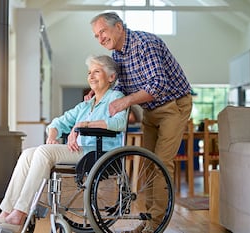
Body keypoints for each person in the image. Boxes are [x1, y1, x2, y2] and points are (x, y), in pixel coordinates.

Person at [0, 54, 127, 232]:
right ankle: (5, 214)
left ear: (111, 77)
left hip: (99, 152)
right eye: (89, 72)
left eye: (97, 71)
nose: (91, 76)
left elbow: (119, 123)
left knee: (44, 152)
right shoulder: (86, 105)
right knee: (28, 153)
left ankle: (18, 215)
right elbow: (57, 123)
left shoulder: (116, 97)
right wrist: (52, 135)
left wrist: (83, 125)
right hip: (82, 151)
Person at [90, 12, 193, 232]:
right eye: (96, 35)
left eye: (103, 32)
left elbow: (157, 85)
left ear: (118, 27)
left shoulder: (145, 43)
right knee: (147, 164)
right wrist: (98, 94)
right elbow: (119, 88)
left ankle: (155, 225)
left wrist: (125, 101)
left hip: (174, 105)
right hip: (151, 110)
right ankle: (147, 221)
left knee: (161, 164)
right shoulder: (116, 56)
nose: (100, 38)